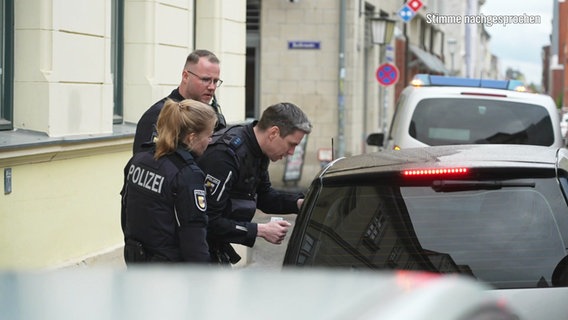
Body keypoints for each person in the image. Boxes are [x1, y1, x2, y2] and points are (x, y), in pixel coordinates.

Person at [196, 102, 312, 264]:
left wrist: (299, 203)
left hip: (212, 247)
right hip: (194, 253)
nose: (291, 153)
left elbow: (264, 196)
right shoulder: (225, 156)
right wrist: (260, 230)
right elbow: (206, 220)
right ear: (273, 133)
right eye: (291, 144)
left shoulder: (259, 151)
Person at [121, 98, 217, 265]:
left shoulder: (139, 159)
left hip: (136, 260)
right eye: (209, 135)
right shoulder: (187, 175)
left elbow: (126, 212)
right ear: (192, 137)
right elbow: (193, 238)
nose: (210, 141)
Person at [133, 49, 226, 154]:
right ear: (185, 76)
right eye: (205, 79)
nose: (212, 87)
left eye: (216, 81)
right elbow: (144, 162)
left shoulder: (210, 116)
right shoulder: (159, 115)